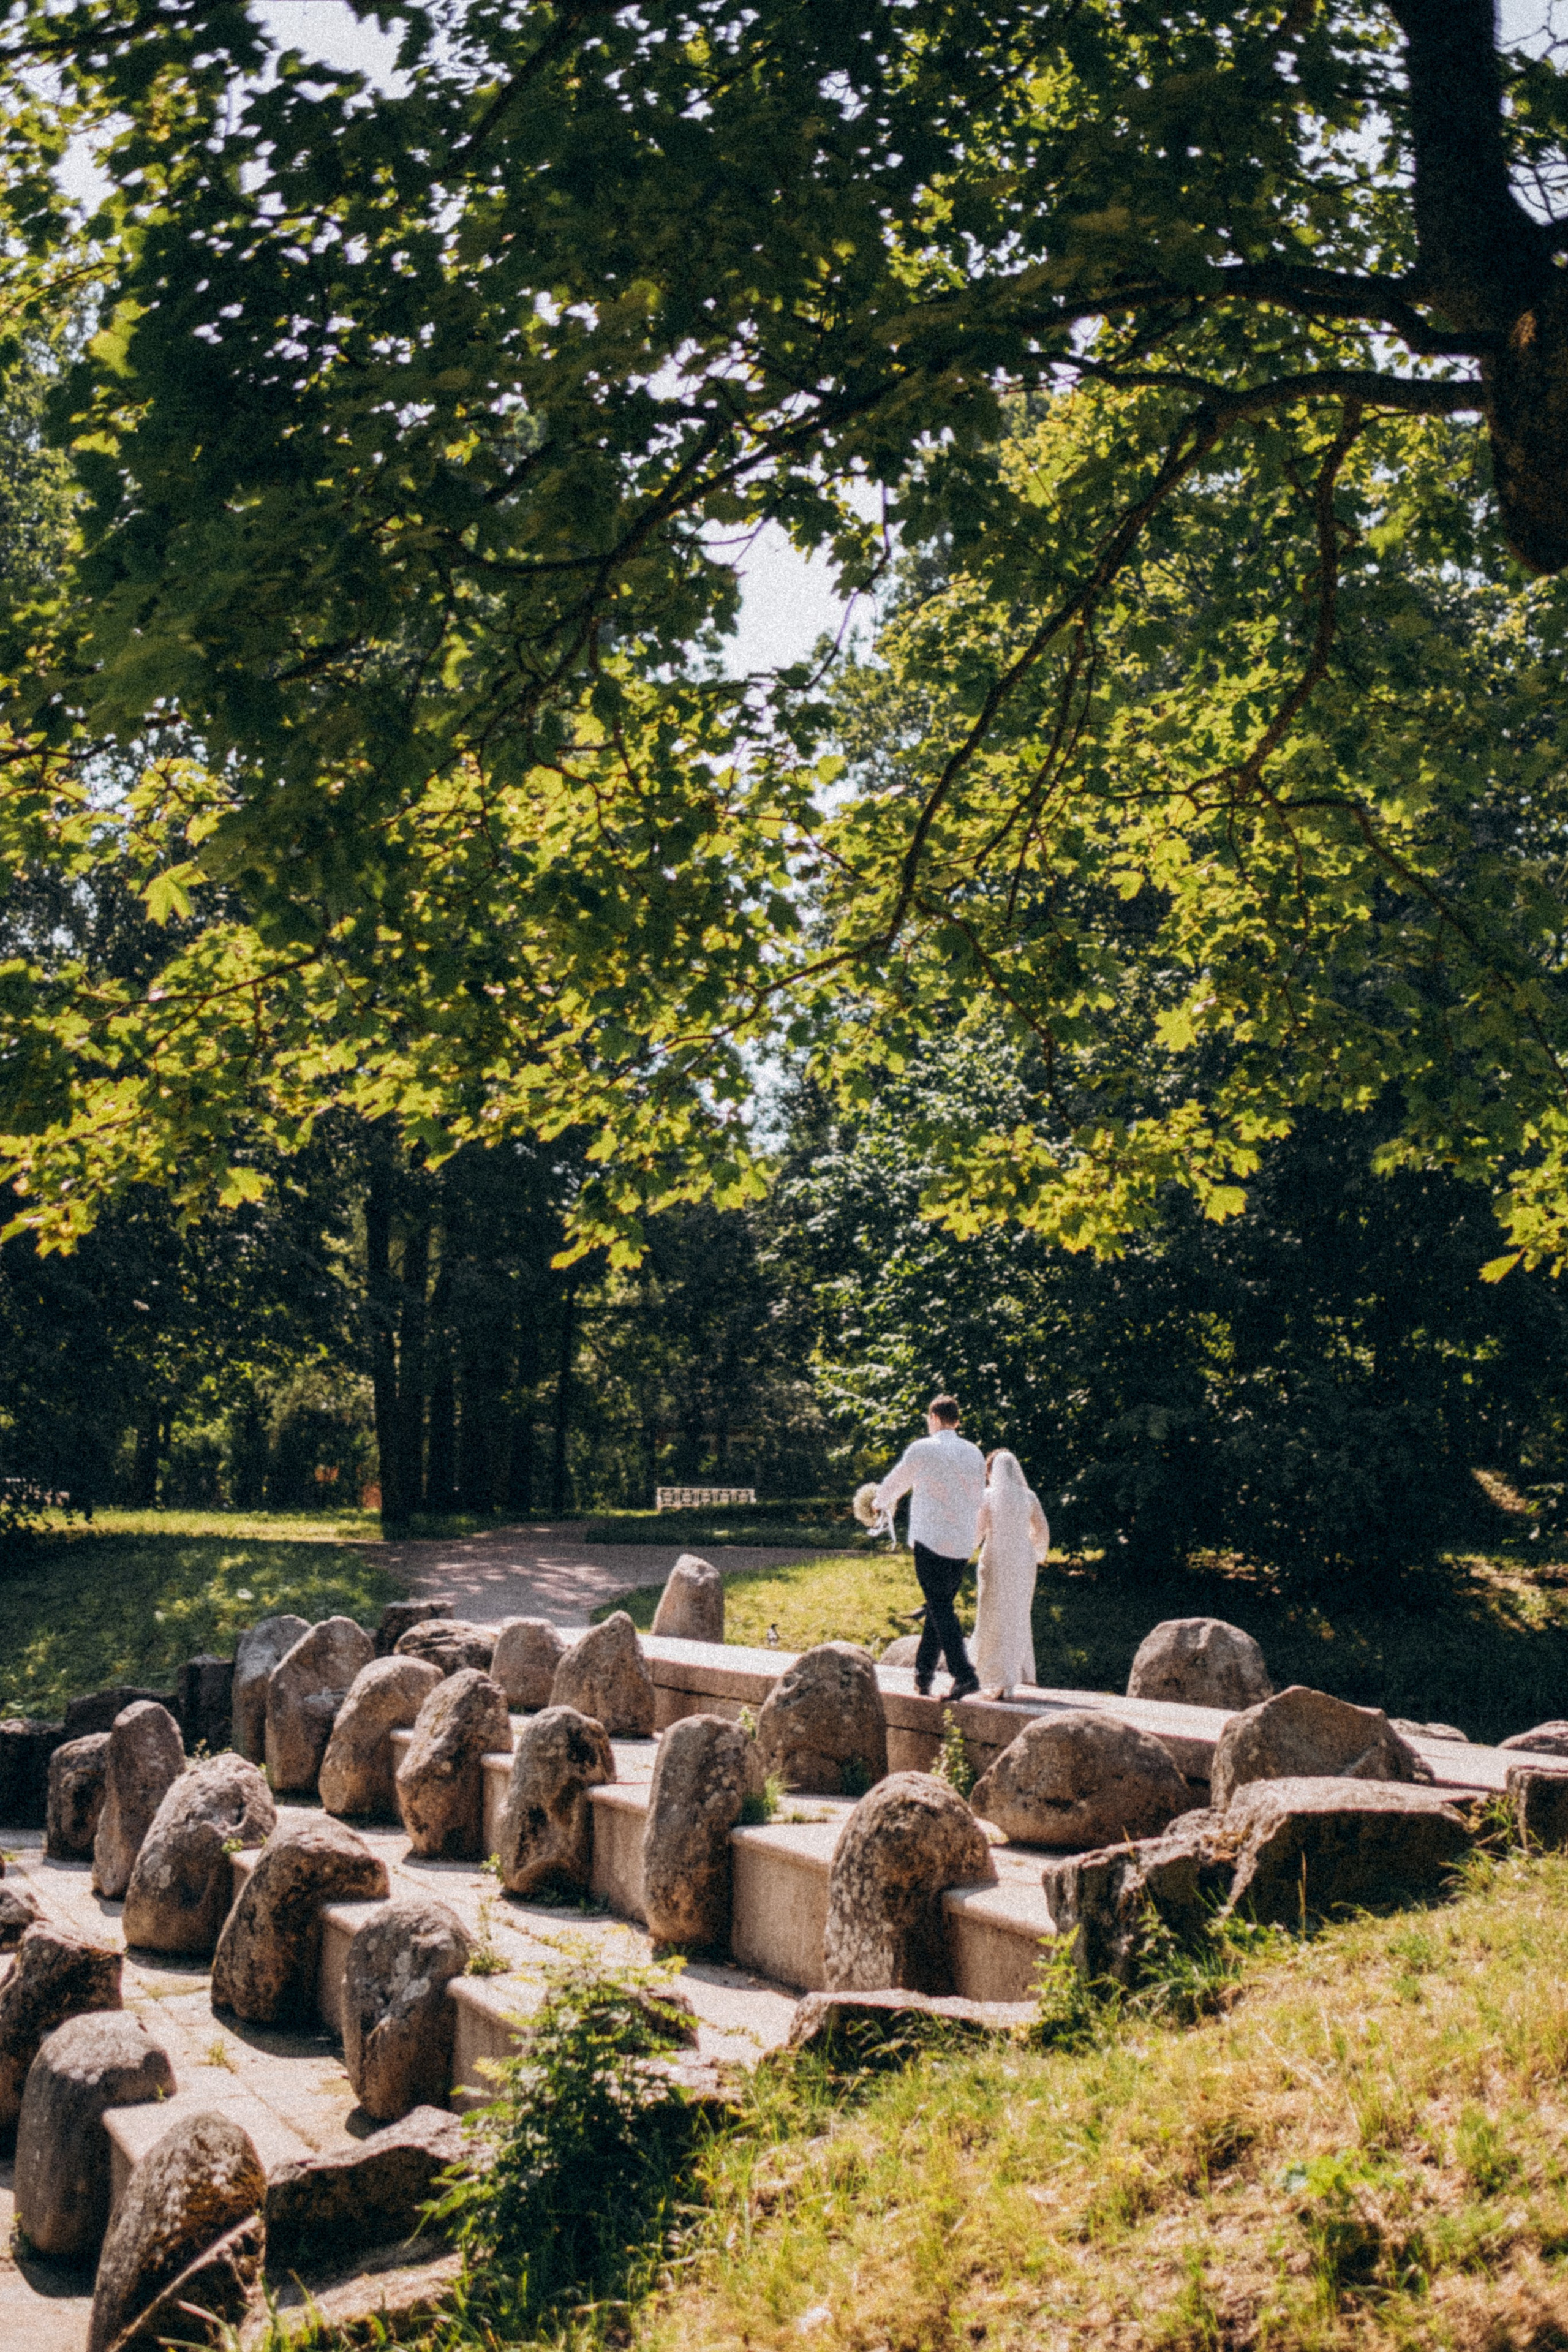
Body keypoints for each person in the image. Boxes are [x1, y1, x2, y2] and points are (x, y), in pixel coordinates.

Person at [873, 1394, 986, 1698]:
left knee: (939, 1605)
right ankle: (923, 1673)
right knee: (940, 1604)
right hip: (963, 1541)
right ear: (957, 1420)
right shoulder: (975, 1453)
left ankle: (965, 1674)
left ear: (934, 1418)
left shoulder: (923, 1449)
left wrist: (878, 1503)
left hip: (931, 1538)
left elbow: (898, 1481)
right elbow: (979, 1498)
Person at [973, 1449, 1049, 1698]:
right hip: (1022, 1561)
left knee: (992, 1617)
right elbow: (1042, 1530)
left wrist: (963, 1550)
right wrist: (1036, 1553)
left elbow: (978, 1531)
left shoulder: (988, 1497)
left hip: (996, 1559)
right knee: (1017, 1616)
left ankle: (995, 1678)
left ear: (992, 1471)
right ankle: (1010, 1681)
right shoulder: (1029, 1496)